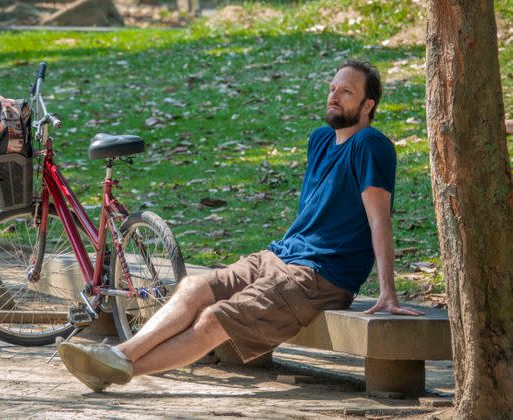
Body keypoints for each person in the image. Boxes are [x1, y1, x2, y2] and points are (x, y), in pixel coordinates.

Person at [57, 60, 424, 392]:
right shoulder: (321, 140)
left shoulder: (371, 145)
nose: (334, 96)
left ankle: (120, 368)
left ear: (367, 105)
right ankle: (119, 355)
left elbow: (380, 221)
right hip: (279, 255)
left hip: (319, 276)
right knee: (195, 287)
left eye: (346, 92)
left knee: (216, 318)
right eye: (332, 88)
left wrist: (387, 292)